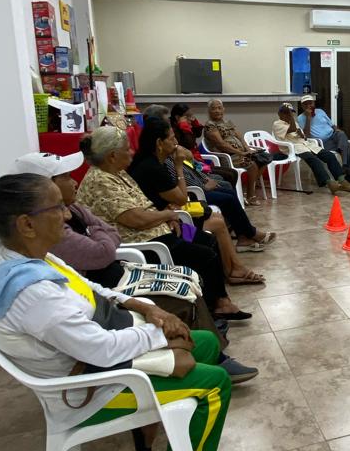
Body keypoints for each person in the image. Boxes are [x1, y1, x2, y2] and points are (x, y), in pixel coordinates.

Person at [0, 173, 232, 451]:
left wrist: (145, 307)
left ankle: (152, 425)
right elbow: (102, 349)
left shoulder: (33, 260)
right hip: (92, 388)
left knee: (203, 342)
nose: (67, 215)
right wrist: (160, 332)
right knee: (216, 385)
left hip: (96, 360)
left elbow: (91, 288)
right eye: (58, 208)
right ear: (27, 225)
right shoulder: (33, 295)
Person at [12, 151, 259, 384]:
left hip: (151, 240)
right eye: (65, 177)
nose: (131, 152)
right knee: (199, 259)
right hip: (142, 248)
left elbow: (110, 232)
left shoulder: (91, 196)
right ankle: (212, 336)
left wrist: (103, 232)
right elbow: (106, 247)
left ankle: (217, 315)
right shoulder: (131, 173)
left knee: (200, 252)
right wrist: (165, 210)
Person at [76, 127, 251, 323]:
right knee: (205, 255)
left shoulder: (118, 173)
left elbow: (145, 205)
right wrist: (167, 214)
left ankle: (217, 299)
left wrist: (167, 216)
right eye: (127, 149)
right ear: (112, 156)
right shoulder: (101, 181)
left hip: (162, 227)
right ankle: (218, 305)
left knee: (206, 239)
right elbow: (136, 220)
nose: (131, 152)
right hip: (147, 241)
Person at [127, 119, 267, 286]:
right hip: (167, 227)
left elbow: (170, 198)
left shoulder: (154, 162)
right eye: (172, 138)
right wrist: (179, 166)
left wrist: (170, 206)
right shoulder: (153, 167)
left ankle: (235, 268)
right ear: (159, 143)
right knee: (214, 227)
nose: (176, 142)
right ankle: (232, 272)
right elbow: (181, 198)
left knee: (217, 219)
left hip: (169, 218)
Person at [143, 104, 274, 252]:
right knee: (225, 203)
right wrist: (199, 182)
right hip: (180, 213)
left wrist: (201, 177)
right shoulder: (156, 163)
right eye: (167, 122)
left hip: (183, 204)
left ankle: (242, 238)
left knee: (226, 196)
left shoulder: (165, 151)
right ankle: (246, 236)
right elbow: (181, 197)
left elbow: (188, 165)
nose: (175, 141)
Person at [272, 104, 350, 194]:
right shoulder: (277, 124)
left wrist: (302, 135)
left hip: (307, 145)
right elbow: (292, 129)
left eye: (291, 112)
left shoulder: (294, 122)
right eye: (287, 112)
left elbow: (304, 137)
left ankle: (342, 180)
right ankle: (329, 183)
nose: (290, 114)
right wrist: (291, 117)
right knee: (314, 160)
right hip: (294, 148)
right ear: (280, 114)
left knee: (329, 155)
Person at [202, 99, 271, 205]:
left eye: (219, 108)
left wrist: (247, 148)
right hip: (227, 156)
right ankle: (250, 196)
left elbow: (239, 136)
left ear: (224, 109)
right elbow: (221, 144)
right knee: (252, 164)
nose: (217, 111)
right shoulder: (210, 126)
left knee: (263, 160)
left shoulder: (227, 122)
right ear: (209, 111)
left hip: (240, 154)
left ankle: (249, 190)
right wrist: (240, 153)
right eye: (214, 108)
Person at [297, 95, 350, 184]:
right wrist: (308, 118)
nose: (308, 106)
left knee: (342, 134)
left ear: (314, 103)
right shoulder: (300, 118)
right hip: (321, 143)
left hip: (333, 136)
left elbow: (332, 124)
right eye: (305, 104)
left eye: (310, 103)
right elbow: (306, 135)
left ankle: (345, 166)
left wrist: (336, 129)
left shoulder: (320, 112)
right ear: (302, 106)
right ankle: (348, 172)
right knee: (347, 145)